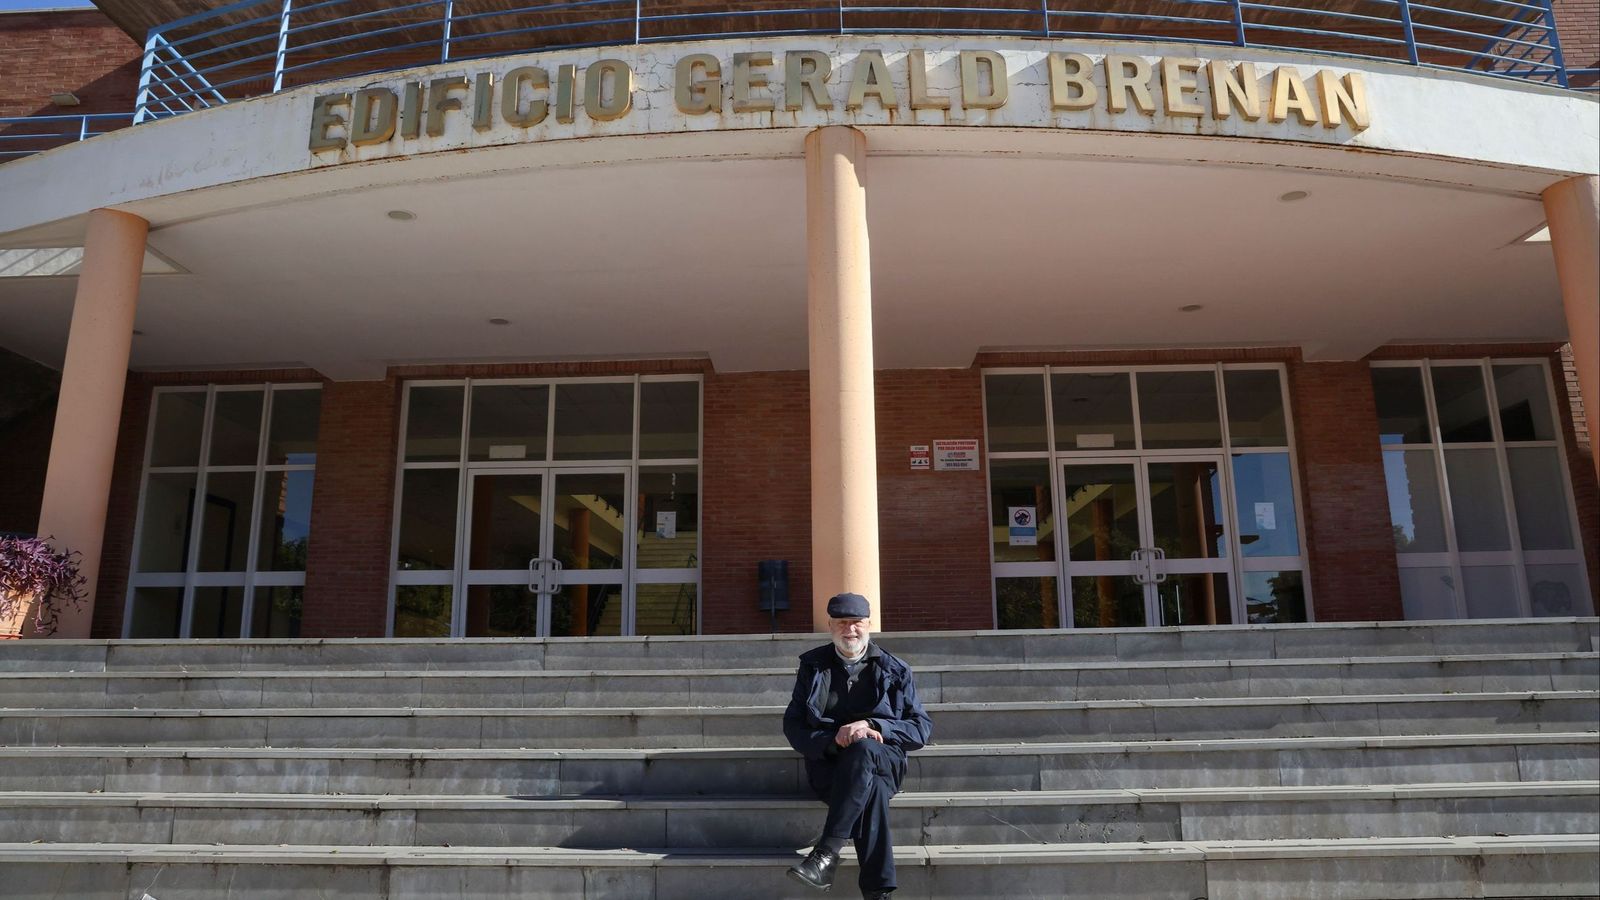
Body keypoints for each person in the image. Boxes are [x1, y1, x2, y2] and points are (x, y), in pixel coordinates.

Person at [783, 592, 933, 899]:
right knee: (872, 790)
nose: (849, 629)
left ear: (869, 625)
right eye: (841, 622)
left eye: (856, 622)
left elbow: (920, 729)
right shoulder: (812, 666)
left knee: (865, 748)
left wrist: (875, 725)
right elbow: (793, 725)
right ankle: (878, 893)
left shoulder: (896, 669)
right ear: (830, 625)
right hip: (831, 767)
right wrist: (830, 740)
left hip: (884, 760)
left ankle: (826, 853)